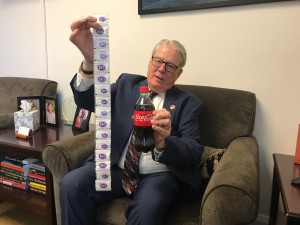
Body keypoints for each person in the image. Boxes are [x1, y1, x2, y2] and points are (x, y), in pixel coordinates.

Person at [60, 15, 204, 225]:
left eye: (170, 66)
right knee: (71, 184)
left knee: (148, 208)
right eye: (158, 61)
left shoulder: (188, 103)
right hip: (116, 169)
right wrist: (91, 61)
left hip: (159, 175)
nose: (161, 69)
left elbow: (194, 150)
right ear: (150, 61)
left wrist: (164, 142)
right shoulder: (127, 84)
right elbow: (88, 100)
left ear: (178, 74)